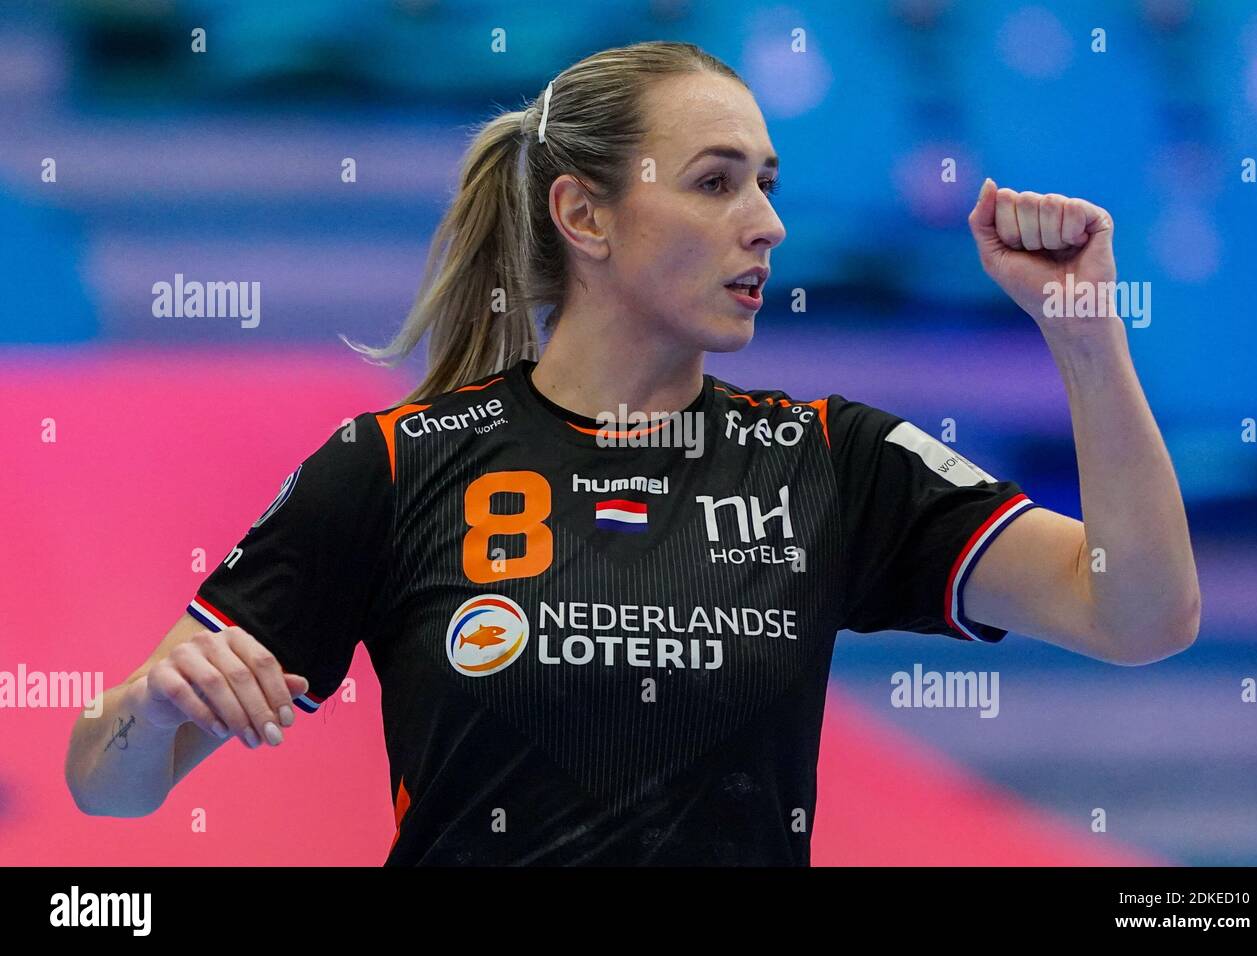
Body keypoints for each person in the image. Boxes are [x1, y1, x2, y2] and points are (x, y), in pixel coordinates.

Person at [64, 40, 1200, 865]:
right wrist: (154, 704)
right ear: (584, 215)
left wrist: (1082, 331)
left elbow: (1139, 613)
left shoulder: (831, 459)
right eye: (715, 182)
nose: (766, 222)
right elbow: (106, 786)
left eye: (766, 182)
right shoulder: (399, 464)